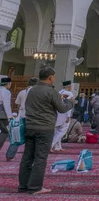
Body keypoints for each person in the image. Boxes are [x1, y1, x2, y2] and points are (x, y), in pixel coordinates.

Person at [19, 67, 74, 195]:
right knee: (40, 158)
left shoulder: (31, 90)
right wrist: (69, 102)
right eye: (54, 76)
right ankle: (35, 187)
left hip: (30, 126)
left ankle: (23, 185)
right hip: (44, 129)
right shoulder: (51, 91)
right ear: (50, 77)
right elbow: (62, 108)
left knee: (27, 156)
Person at [7, 77, 38, 161]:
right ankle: (28, 156)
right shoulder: (37, 93)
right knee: (31, 138)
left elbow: (18, 105)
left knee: (17, 136)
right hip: (32, 117)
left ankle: (10, 155)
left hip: (21, 116)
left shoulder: (21, 92)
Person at [51, 80, 74, 153]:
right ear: (69, 86)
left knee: (57, 131)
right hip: (64, 114)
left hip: (57, 114)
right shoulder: (69, 93)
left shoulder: (58, 92)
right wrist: (69, 116)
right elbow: (69, 105)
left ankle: (58, 147)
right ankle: (51, 145)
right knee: (62, 131)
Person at [0, 76, 14, 158]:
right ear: (8, 83)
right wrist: (10, 116)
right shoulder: (6, 92)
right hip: (2, 114)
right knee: (5, 131)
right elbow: (6, 105)